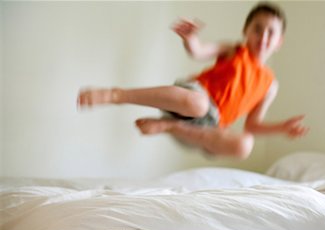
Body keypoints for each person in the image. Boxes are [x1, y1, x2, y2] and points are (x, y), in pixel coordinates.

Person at [78, 2, 309, 159]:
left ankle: (168, 127)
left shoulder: (270, 85)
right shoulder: (233, 50)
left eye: (271, 32)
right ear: (245, 31)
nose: (264, 36)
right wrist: (190, 39)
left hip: (201, 130)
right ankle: (117, 95)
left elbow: (252, 125)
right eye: (258, 29)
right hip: (189, 101)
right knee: (198, 104)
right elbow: (198, 52)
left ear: (280, 41)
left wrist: (282, 128)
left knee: (244, 145)